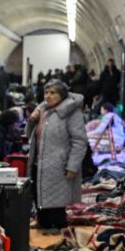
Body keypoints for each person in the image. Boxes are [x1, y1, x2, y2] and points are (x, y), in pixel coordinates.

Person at [25, 79, 86, 231]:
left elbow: (79, 141)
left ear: (62, 95)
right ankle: (43, 223)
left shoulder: (71, 112)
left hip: (58, 163)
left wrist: (72, 166)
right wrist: (32, 120)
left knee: (56, 199)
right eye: (46, 92)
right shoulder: (43, 110)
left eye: (53, 93)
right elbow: (29, 135)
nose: (48, 96)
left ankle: (59, 227)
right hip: (38, 162)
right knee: (38, 194)